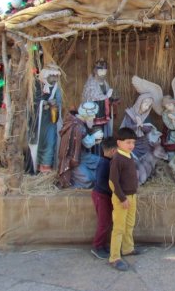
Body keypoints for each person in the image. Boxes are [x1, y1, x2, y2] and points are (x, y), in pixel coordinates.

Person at [108, 127, 146, 271]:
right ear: (119, 142)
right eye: (128, 142)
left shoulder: (129, 155)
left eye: (133, 142)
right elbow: (113, 182)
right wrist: (122, 198)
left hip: (131, 196)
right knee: (119, 228)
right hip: (121, 198)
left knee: (129, 224)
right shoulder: (117, 159)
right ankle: (115, 257)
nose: (131, 145)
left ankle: (128, 248)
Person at [57, 102, 102, 188]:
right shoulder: (78, 127)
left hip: (83, 156)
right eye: (92, 115)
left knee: (101, 163)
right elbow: (88, 143)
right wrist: (95, 137)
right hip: (73, 159)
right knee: (87, 179)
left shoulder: (78, 123)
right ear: (86, 115)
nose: (94, 117)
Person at [91, 137, 118, 260]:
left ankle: (103, 245)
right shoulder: (104, 164)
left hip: (104, 196)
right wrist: (113, 191)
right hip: (101, 196)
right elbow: (101, 182)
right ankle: (97, 246)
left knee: (107, 222)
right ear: (113, 151)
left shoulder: (107, 162)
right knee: (104, 222)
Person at [33, 64, 62, 173]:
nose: (54, 79)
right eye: (52, 76)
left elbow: (59, 103)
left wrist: (56, 105)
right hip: (40, 121)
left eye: (56, 77)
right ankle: (38, 164)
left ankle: (46, 164)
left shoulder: (56, 89)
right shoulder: (38, 86)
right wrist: (44, 103)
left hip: (51, 120)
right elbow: (33, 102)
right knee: (40, 141)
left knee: (50, 141)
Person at [82, 58, 117, 138]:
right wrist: (106, 96)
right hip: (95, 114)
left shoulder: (105, 83)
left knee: (103, 133)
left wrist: (111, 98)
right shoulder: (91, 83)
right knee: (96, 133)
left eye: (104, 71)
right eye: (100, 70)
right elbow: (92, 96)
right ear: (95, 71)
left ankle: (102, 149)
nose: (103, 73)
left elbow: (107, 94)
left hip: (103, 112)